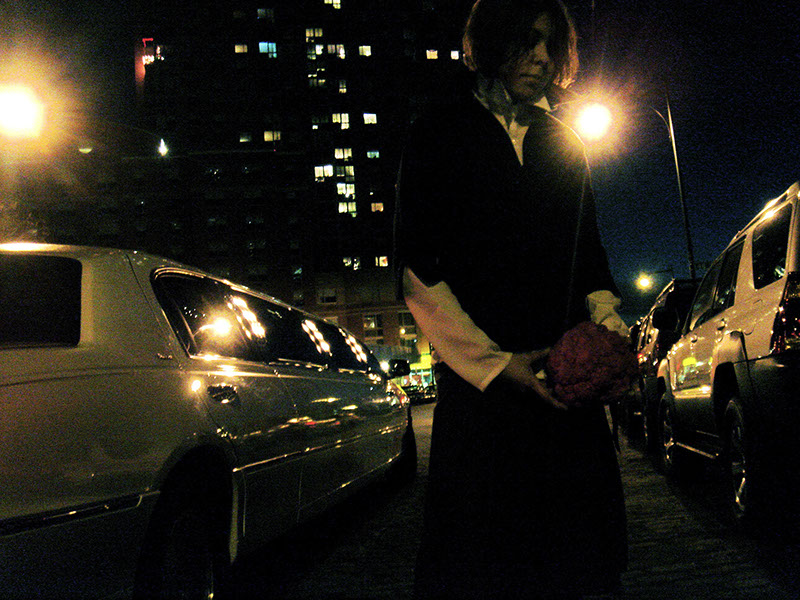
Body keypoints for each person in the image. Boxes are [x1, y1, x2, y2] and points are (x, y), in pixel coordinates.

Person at [394, 0, 629, 598]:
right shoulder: (439, 130)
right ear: (492, 43)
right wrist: (496, 366)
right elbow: (418, 268)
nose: (542, 58)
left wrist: (607, 331)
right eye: (527, 41)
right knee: (485, 566)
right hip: (483, 401)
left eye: (552, 45)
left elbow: (589, 254)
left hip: (562, 392)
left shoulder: (564, 141)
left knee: (576, 567)